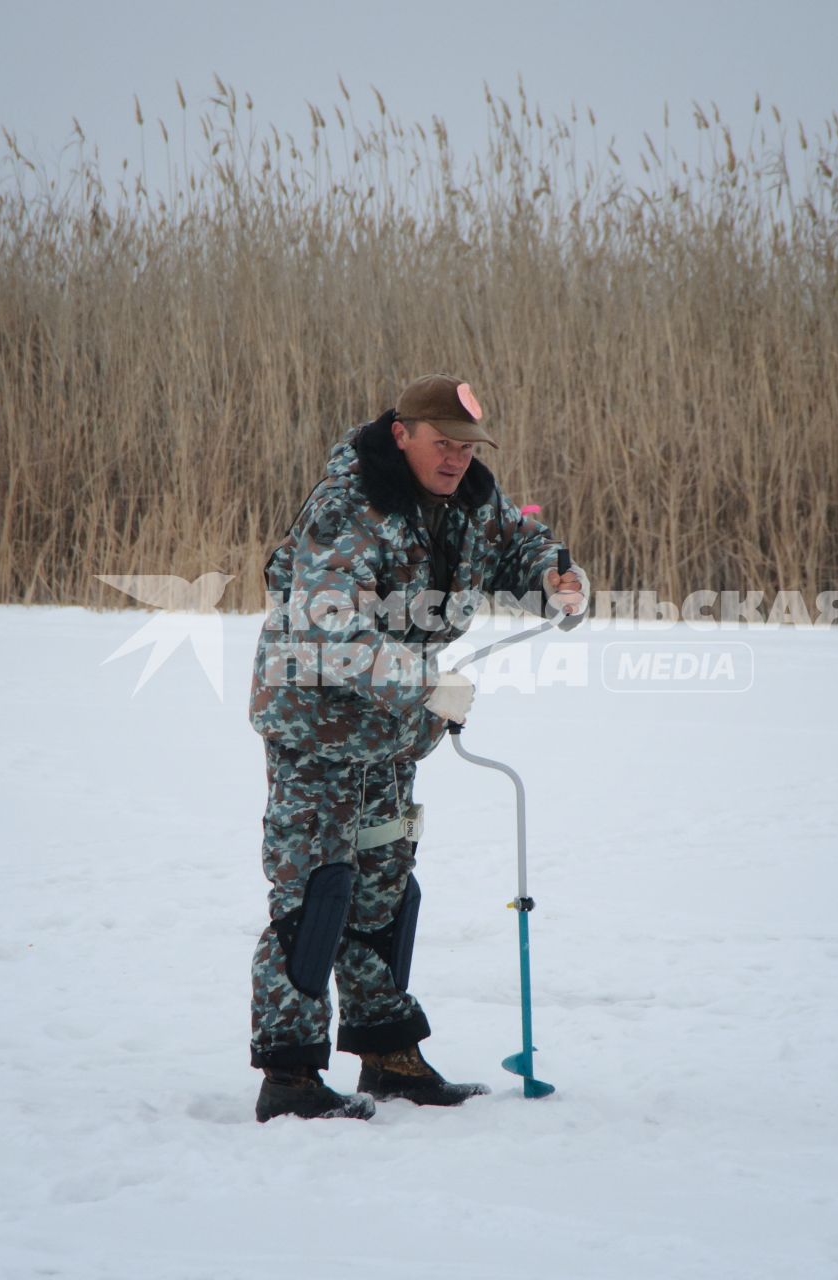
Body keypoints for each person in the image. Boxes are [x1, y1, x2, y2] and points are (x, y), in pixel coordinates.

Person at [246, 374, 587, 1122]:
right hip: (318, 727)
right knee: (315, 891)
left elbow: (519, 547)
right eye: (444, 443)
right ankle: (291, 1074)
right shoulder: (347, 509)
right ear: (402, 433)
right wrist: (422, 684)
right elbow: (326, 631)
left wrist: (555, 580)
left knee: (383, 889)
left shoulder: (468, 499)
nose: (457, 458)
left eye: (468, 447)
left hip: (394, 734)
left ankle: (387, 1053)